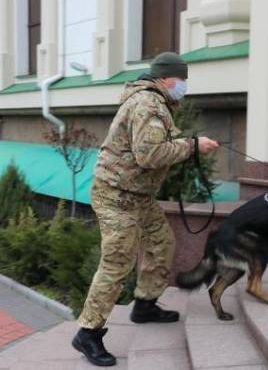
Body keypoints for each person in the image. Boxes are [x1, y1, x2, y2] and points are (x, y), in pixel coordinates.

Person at [71, 52, 219, 367]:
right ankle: (88, 332)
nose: (184, 86)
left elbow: (157, 145)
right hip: (116, 195)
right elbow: (149, 155)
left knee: (160, 243)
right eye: (182, 80)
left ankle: (145, 305)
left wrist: (188, 143)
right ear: (168, 78)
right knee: (117, 261)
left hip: (138, 196)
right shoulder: (148, 104)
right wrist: (193, 146)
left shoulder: (156, 103)